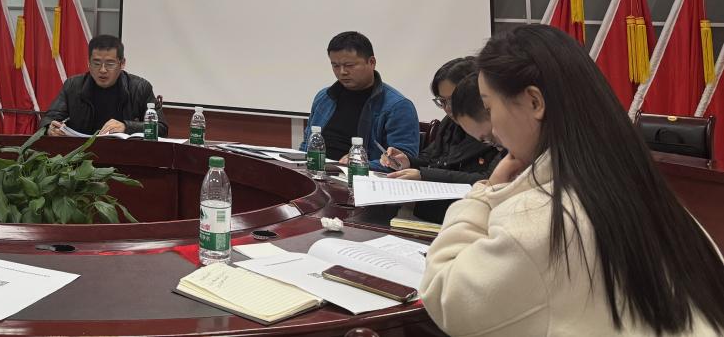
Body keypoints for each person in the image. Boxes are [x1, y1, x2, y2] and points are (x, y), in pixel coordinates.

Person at [421, 24, 724, 336]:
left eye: (489, 107)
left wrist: (484, 194)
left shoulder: (542, 216)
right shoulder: (647, 193)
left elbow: (446, 297)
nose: (494, 130)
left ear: (534, 102)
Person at [300, 31, 419, 169]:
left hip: (357, 176)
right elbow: (307, 145)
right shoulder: (324, 97)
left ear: (372, 62)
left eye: (349, 65)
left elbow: (402, 161)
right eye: (335, 66)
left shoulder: (398, 106)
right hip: (316, 171)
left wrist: (359, 164)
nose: (342, 72)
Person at [381, 60, 500, 183]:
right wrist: (408, 161)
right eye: (442, 101)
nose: (448, 108)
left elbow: (490, 179)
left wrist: (425, 175)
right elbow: (431, 158)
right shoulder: (449, 123)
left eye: (453, 100)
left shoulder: (496, 130)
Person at [41, 34, 168, 137]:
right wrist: (49, 129)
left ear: (122, 63)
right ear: (88, 63)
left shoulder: (140, 88)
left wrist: (127, 127)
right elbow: (48, 119)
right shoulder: (73, 86)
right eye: (96, 63)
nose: (102, 70)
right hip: (81, 154)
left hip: (125, 154)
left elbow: (161, 128)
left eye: (110, 64)